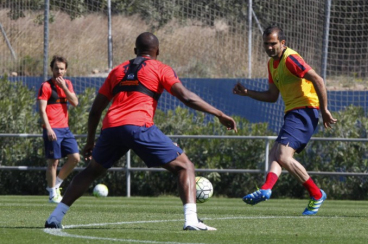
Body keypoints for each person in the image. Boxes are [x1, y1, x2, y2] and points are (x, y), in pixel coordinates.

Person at [45, 32, 237, 230]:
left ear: (135, 51)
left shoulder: (118, 70)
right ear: (158, 52)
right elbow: (186, 97)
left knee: (92, 171)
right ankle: (191, 221)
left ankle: (55, 218)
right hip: (138, 126)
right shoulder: (160, 68)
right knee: (185, 166)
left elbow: (95, 111)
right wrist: (218, 113)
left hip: (111, 127)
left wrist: (90, 142)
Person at [233, 25, 337, 215]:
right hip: (293, 113)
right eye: (266, 44)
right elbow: (273, 96)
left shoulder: (290, 59)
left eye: (273, 44)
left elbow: (318, 79)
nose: (269, 48)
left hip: (305, 110)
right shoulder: (271, 64)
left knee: (283, 155)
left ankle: (316, 194)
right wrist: (247, 92)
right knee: (275, 154)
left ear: (282, 43)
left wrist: (324, 110)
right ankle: (266, 189)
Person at [37, 55, 80, 203]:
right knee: (53, 162)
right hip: (52, 129)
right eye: (56, 69)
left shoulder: (67, 84)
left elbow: (75, 102)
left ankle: (56, 185)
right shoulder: (46, 86)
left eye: (62, 69)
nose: (59, 71)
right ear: (52, 69)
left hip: (65, 129)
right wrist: (48, 129)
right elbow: (42, 110)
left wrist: (64, 88)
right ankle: (52, 194)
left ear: (65, 70)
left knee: (75, 158)